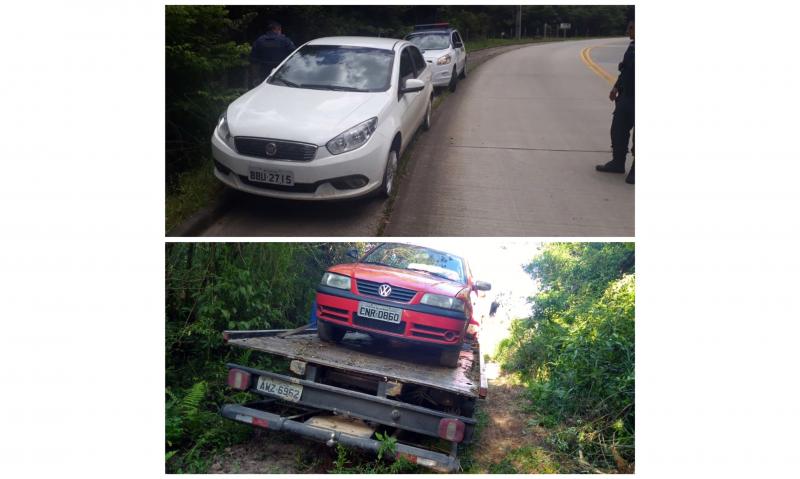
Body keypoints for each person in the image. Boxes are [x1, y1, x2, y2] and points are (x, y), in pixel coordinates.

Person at [596, 19, 634, 184]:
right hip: (626, 97)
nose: (628, 32)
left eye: (631, 29)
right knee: (618, 129)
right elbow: (625, 70)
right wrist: (616, 87)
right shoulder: (632, 47)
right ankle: (617, 162)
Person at [249, 21, 296, 86]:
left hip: (263, 74)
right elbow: (295, 55)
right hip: (281, 74)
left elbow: (253, 61)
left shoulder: (259, 41)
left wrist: (255, 77)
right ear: (278, 29)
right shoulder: (285, 40)